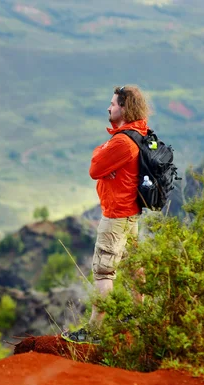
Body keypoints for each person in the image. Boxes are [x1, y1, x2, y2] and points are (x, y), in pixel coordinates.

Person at [61, 85, 151, 344]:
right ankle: (137, 314)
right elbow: (101, 166)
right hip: (130, 213)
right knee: (134, 265)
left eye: (113, 104)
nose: (109, 107)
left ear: (124, 107)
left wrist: (101, 153)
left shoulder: (122, 141)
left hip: (116, 216)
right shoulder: (136, 135)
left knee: (103, 272)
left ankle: (95, 332)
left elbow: (94, 168)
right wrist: (104, 155)